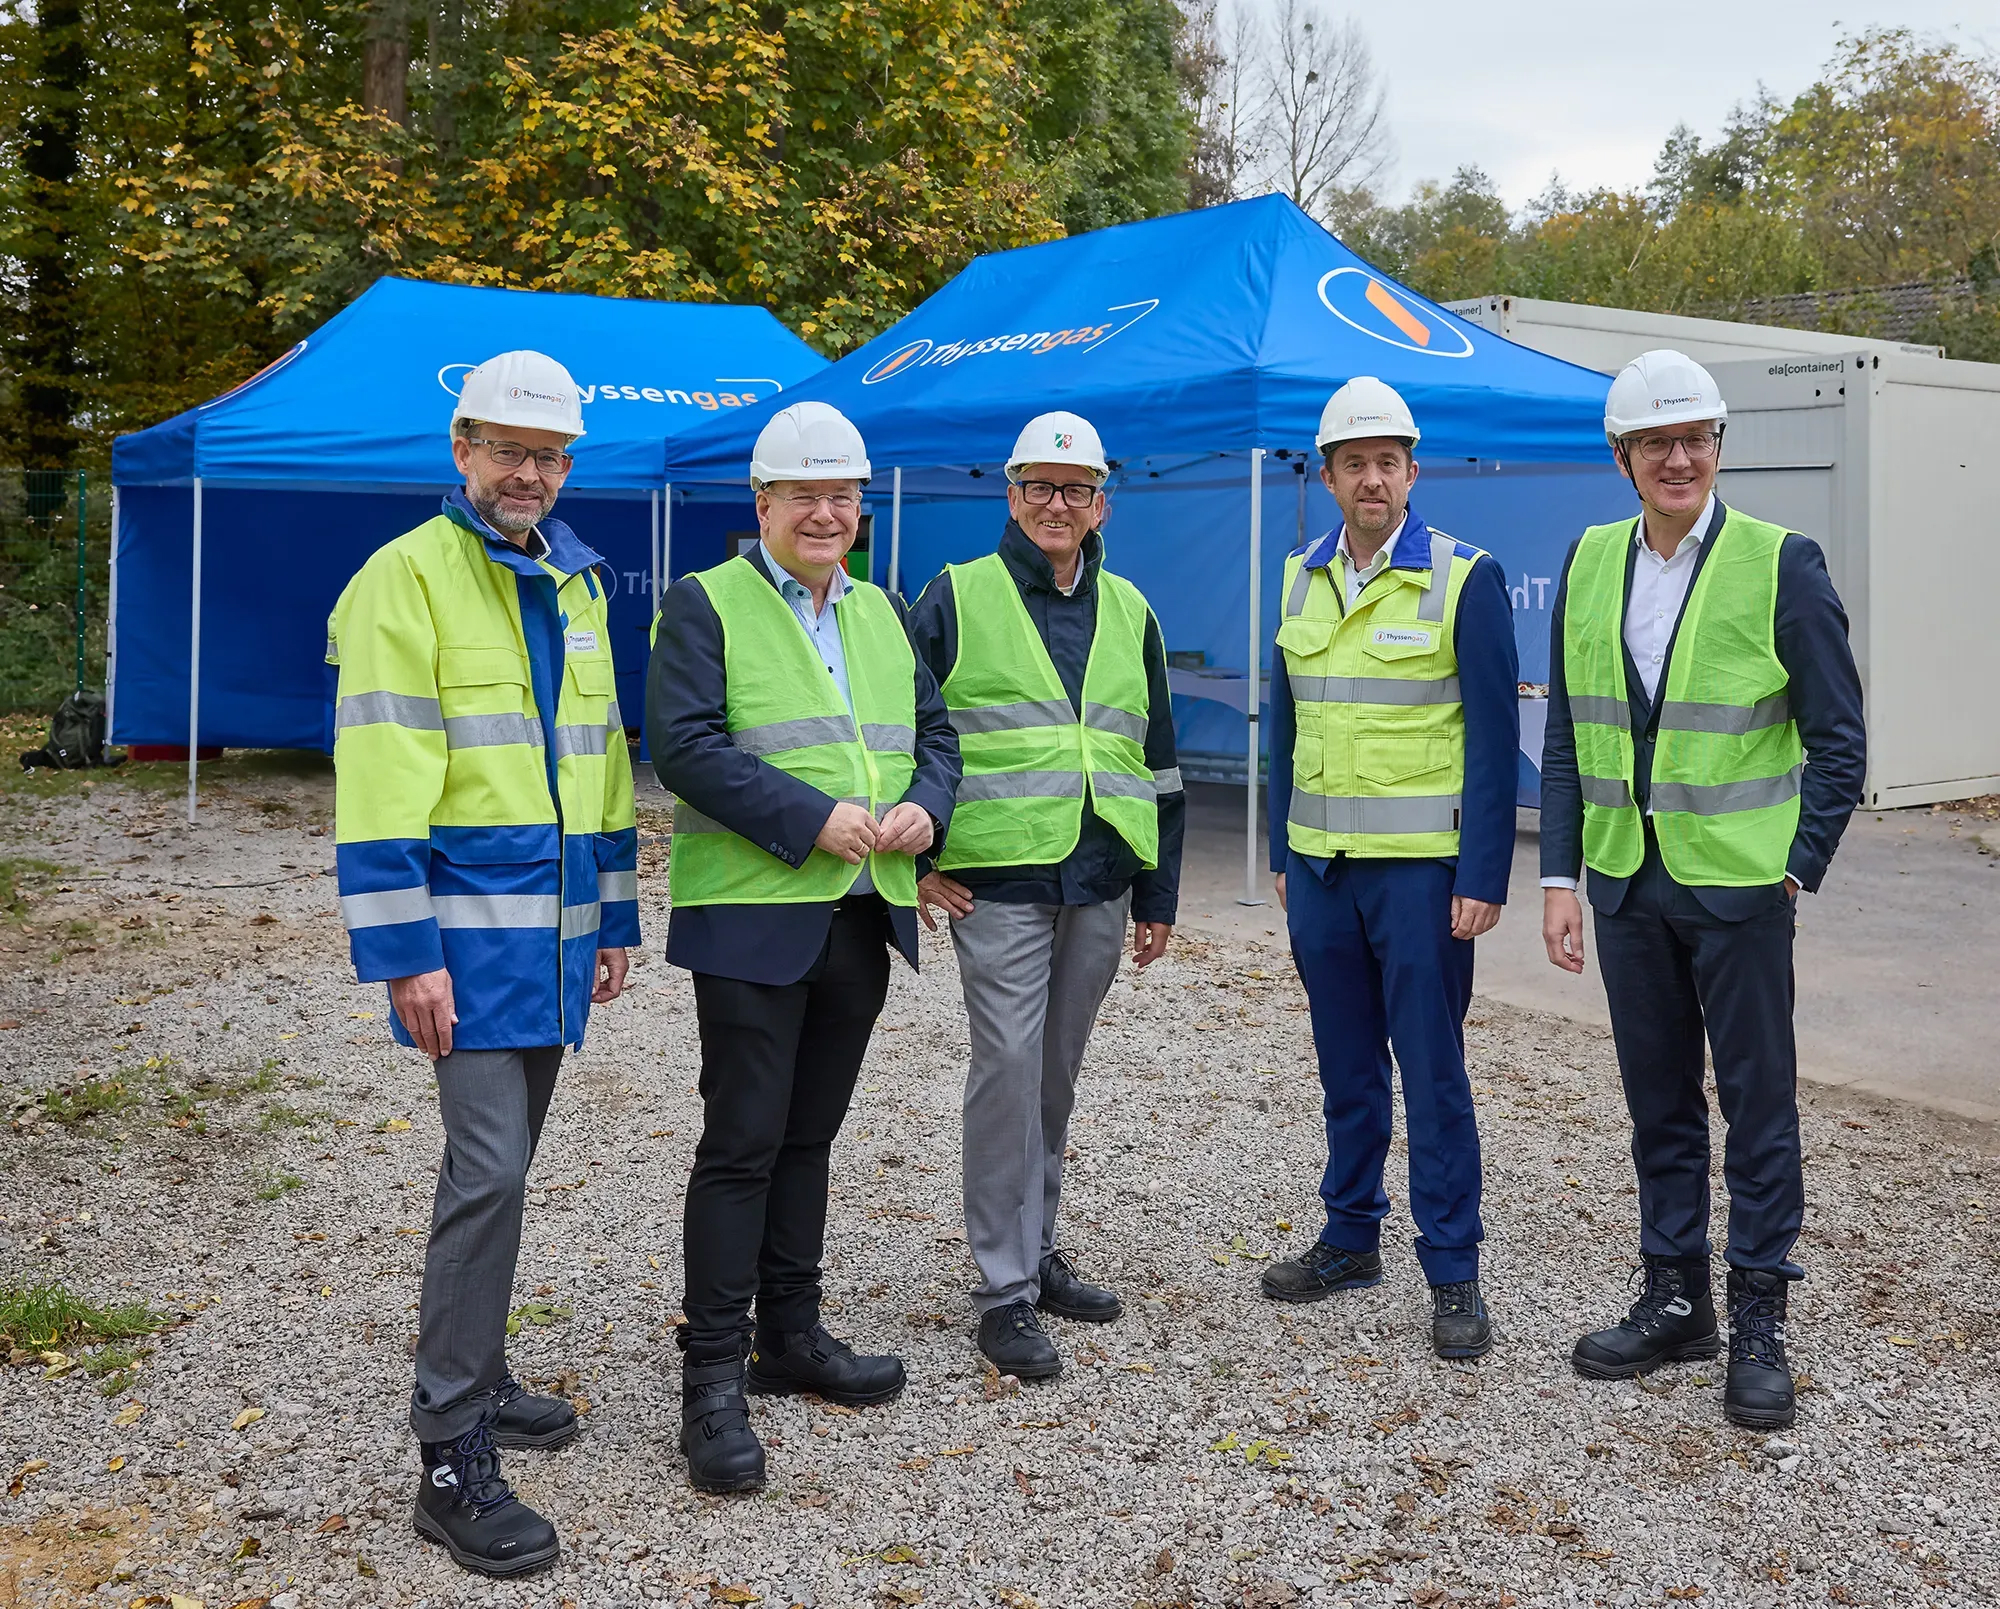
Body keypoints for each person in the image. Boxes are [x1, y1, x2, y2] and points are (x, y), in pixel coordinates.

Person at [328, 351, 637, 1577]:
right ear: (462, 448)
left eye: (549, 455)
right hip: (461, 943)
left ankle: (485, 1373)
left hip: (550, 939)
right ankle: (449, 1448)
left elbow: (598, 759)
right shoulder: (403, 580)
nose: (530, 473)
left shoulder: (574, 576)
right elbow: (381, 779)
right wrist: (403, 954)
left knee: (505, 1171)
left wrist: (612, 918)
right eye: (509, 450)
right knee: (487, 1173)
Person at [1540, 349, 1865, 1430]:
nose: (1678, 458)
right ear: (1621, 457)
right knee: (1658, 1106)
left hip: (1736, 890)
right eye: (1655, 443)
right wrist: (1557, 873)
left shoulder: (1782, 563)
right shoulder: (1588, 562)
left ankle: (1759, 1316)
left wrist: (1793, 863)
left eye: (1694, 439)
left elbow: (1836, 740)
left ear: (1717, 447)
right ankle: (1674, 1297)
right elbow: (1563, 735)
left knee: (1756, 1108)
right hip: (1628, 886)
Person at [646, 400, 960, 1493]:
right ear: (762, 502)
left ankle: (791, 1334)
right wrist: (806, 816)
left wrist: (926, 807)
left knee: (810, 1137)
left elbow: (934, 736)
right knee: (740, 1142)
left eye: (843, 496)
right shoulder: (706, 604)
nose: (826, 513)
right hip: (751, 913)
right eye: (805, 495)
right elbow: (680, 746)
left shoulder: (877, 609)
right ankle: (710, 1384)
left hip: (858, 915)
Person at [907, 410, 1184, 1381]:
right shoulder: (955, 594)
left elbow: (1154, 759)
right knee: (1007, 1067)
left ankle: (1034, 1245)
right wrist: (912, 861)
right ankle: (1001, 1288)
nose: (1054, 504)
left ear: (1100, 501)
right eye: (1036, 486)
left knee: (1054, 1073)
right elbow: (904, 730)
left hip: (1101, 874)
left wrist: (1160, 891)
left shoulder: (1131, 610)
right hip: (999, 879)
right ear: (1010, 494)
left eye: (1072, 489)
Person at [1261, 376, 1519, 1360]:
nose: (1371, 478)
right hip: (1320, 871)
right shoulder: (1297, 576)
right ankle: (1348, 1236)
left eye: (1387, 461)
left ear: (1412, 471)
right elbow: (1285, 721)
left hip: (1419, 875)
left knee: (1432, 1072)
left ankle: (1452, 1271)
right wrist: (1283, 849)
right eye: (1352, 462)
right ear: (1326, 475)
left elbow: (1496, 742)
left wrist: (1482, 873)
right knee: (1344, 1066)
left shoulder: (1464, 576)